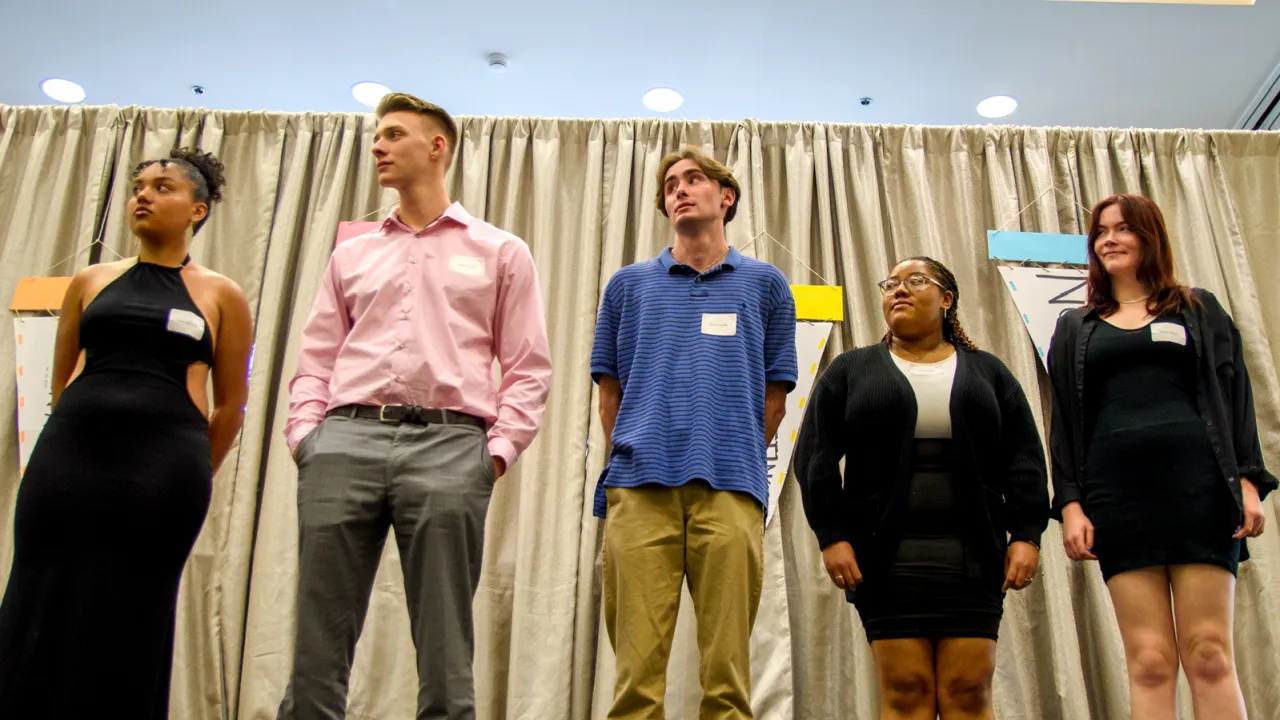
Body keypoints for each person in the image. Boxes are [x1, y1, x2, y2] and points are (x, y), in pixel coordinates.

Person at [278, 92, 552, 720]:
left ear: (437, 148)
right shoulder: (351, 252)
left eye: (393, 134)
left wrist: (495, 454)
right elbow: (317, 355)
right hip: (342, 442)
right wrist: (306, 437)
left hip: (452, 448)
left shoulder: (501, 251)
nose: (377, 146)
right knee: (316, 639)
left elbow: (528, 365)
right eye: (377, 136)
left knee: (445, 644)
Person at [0, 148, 253, 718]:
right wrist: (71, 441)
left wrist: (188, 470)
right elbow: (62, 382)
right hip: (68, 461)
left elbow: (231, 407)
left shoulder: (221, 294)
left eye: (162, 187)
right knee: (42, 591)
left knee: (133, 604)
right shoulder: (90, 280)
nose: (142, 195)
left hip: (163, 475)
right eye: (139, 186)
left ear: (198, 210)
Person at [1049, 194, 1275, 720]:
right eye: (1100, 232)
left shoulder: (1199, 308)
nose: (1109, 239)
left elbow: (1235, 397)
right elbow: (1063, 420)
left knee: (1210, 653)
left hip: (1199, 491)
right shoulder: (1074, 326)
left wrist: (1246, 482)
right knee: (1149, 661)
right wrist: (1072, 505)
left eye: (1123, 228)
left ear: (1150, 237)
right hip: (1117, 500)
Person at [591, 145, 797, 720]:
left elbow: (774, 399)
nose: (679, 189)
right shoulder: (627, 286)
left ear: (725, 196)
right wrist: (643, 445)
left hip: (732, 491)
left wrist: (729, 450)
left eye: (693, 179)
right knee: (635, 684)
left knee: (727, 683)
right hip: (637, 488)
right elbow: (609, 395)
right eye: (669, 184)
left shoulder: (767, 285)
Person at [793, 256, 1048, 720]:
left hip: (973, 557)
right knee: (907, 692)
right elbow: (814, 457)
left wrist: (1027, 534)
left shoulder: (989, 371)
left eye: (915, 281)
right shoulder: (851, 370)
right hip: (885, 560)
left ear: (947, 300)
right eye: (890, 283)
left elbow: (1025, 458)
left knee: (967, 692)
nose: (899, 290)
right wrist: (832, 536)